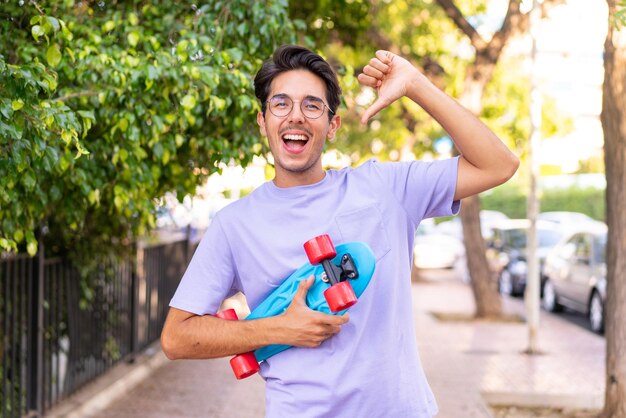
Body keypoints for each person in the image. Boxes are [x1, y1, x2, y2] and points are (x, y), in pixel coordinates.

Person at [161, 45, 519, 417]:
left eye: (312, 105)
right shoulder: (234, 224)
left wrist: (415, 84)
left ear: (332, 126)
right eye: (280, 104)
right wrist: (279, 329)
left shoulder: (386, 187)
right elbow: (177, 336)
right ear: (263, 121)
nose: (295, 116)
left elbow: (498, 165)